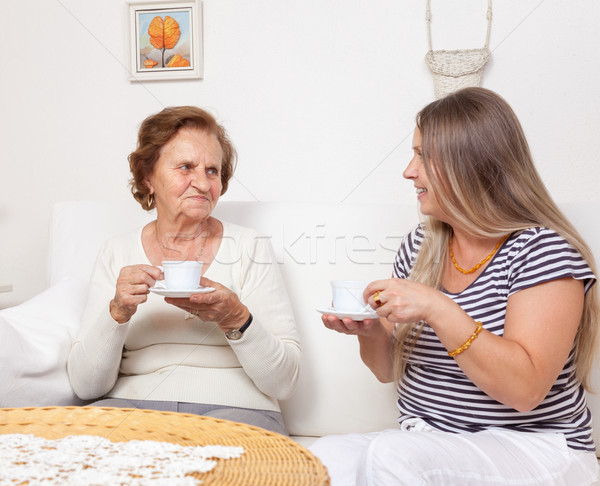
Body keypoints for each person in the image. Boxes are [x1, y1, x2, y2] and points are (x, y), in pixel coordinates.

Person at [310, 88, 600, 485]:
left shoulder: (542, 250)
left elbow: (525, 391)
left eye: (423, 155)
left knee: (393, 457)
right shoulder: (420, 246)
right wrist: (370, 331)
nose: (409, 171)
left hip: (535, 448)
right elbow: (385, 370)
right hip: (429, 439)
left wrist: (438, 308)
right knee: (319, 458)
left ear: (472, 164)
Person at [67, 106, 301, 435]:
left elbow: (284, 382)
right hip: (131, 410)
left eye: (212, 171)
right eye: (186, 167)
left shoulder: (250, 246)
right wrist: (117, 312)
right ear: (148, 178)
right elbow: (85, 386)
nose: (203, 184)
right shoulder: (116, 251)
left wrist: (235, 318)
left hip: (239, 412)